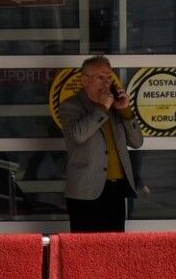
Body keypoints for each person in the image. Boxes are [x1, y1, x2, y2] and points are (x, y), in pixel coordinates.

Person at [62, 55, 147, 232]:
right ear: (85, 80)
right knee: (84, 247)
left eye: (109, 77)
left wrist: (125, 111)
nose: (106, 82)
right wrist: (101, 108)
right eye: (100, 77)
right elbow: (78, 135)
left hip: (116, 188)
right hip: (86, 190)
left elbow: (137, 142)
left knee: (113, 247)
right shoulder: (71, 106)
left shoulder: (116, 107)